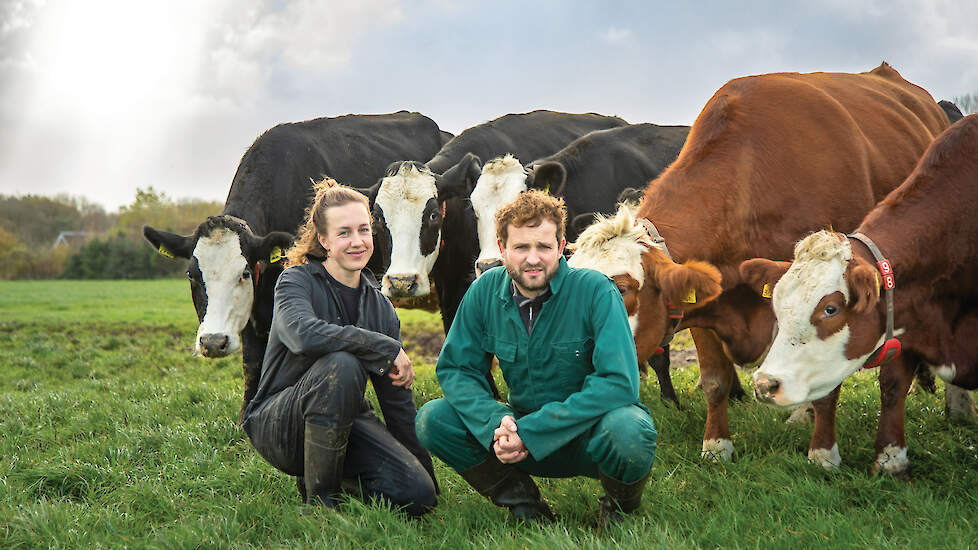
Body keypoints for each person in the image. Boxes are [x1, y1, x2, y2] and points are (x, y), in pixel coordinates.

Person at [415, 190, 657, 527]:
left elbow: (618, 383)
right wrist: (496, 423)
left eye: (544, 247)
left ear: (561, 247)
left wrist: (533, 431)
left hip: (588, 437)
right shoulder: (483, 292)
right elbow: (457, 369)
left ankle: (618, 509)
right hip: (515, 438)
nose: (533, 259)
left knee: (630, 430)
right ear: (502, 249)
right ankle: (525, 505)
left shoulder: (597, 290)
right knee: (433, 419)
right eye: (521, 247)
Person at [242, 178, 437, 516]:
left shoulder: (381, 308)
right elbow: (304, 335)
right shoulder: (295, 281)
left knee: (416, 495)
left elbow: (397, 405)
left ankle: (333, 474)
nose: (357, 241)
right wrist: (383, 346)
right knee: (342, 364)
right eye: (344, 232)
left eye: (364, 230)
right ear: (324, 240)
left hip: (344, 417)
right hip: (280, 424)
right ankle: (319, 503)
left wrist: (428, 479)